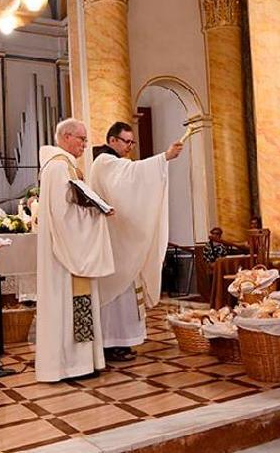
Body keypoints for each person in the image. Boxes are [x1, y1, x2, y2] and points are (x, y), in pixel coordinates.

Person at [89, 122, 183, 362]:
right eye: (126, 142)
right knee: (115, 296)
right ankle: (112, 344)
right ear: (112, 141)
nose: (130, 147)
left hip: (122, 239)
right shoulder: (104, 162)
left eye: (132, 142)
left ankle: (123, 341)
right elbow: (132, 177)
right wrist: (164, 157)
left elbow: (132, 177)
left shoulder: (116, 164)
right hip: (113, 241)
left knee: (127, 293)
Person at [36, 118, 115, 382]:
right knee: (70, 304)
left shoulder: (61, 166)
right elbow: (64, 216)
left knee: (78, 302)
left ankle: (81, 363)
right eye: (81, 139)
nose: (84, 145)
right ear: (66, 137)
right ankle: (71, 365)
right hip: (66, 256)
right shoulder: (59, 168)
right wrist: (95, 214)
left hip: (66, 250)